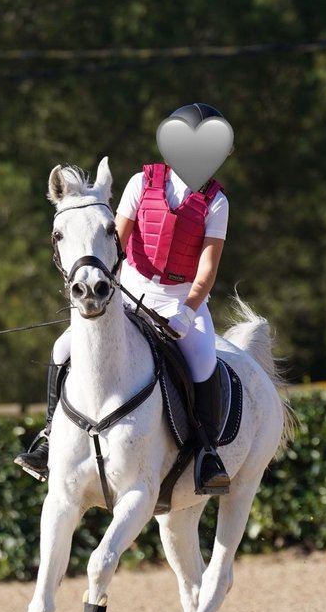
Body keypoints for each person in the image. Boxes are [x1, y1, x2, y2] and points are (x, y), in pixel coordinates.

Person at [16, 102, 233, 494]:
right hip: (129, 286)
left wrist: (186, 312)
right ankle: (49, 438)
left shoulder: (217, 202)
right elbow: (113, 242)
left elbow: (207, 269)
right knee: (63, 347)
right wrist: (105, 286)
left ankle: (206, 453)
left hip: (181, 297)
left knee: (203, 362)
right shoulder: (140, 184)